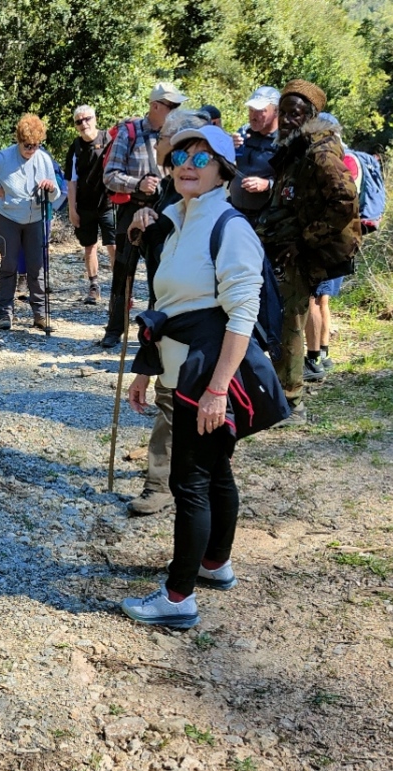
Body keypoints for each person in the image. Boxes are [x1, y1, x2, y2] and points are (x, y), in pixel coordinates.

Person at [120, 126, 289, 628]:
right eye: (180, 157)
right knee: (215, 472)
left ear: (223, 171)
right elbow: (168, 302)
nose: (187, 166)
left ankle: (178, 598)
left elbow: (242, 314)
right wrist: (146, 370)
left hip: (209, 371)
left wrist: (217, 390)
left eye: (201, 158)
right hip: (183, 365)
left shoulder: (229, 226)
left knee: (189, 480)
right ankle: (214, 563)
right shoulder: (177, 217)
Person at [255, 80, 360, 411]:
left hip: (300, 253)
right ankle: (279, 392)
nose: (287, 120)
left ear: (310, 116)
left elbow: (345, 200)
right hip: (283, 247)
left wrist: (305, 239)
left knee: (289, 323)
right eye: (283, 113)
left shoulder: (320, 153)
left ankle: (290, 401)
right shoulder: (294, 149)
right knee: (279, 320)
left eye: (295, 114)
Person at [125, 108, 209, 519]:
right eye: (173, 152)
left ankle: (168, 482)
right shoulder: (167, 189)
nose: (178, 160)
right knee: (170, 397)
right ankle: (168, 480)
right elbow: (152, 248)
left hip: (194, 317)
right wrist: (139, 224)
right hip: (165, 307)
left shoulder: (203, 199)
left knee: (178, 398)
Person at [99, 82, 187, 349]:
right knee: (123, 271)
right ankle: (114, 329)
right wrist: (137, 184)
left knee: (159, 273)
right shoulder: (129, 133)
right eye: (172, 106)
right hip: (131, 210)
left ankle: (153, 331)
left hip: (163, 212)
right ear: (156, 106)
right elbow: (109, 177)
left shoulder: (177, 134)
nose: (176, 111)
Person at [0, 113, 61, 330]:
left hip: (36, 218)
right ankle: (5, 313)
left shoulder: (43, 159)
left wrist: (50, 188)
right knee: (9, 264)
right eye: (27, 145)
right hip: (8, 217)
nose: (31, 150)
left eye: (36, 145)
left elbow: (56, 194)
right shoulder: (4, 157)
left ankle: (40, 314)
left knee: (36, 266)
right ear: (19, 140)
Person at [304, 113, 362, 382]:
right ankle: (322, 353)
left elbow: (343, 201)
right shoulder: (344, 156)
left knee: (313, 299)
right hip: (337, 244)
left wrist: (311, 234)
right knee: (321, 299)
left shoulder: (326, 160)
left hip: (324, 244)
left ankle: (315, 356)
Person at [65, 105, 115, 304]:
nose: (83, 124)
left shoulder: (108, 140)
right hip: (85, 205)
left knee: (113, 245)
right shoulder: (75, 147)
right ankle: (94, 286)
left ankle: (120, 288)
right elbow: (71, 181)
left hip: (109, 204)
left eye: (87, 119)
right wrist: (72, 209)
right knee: (89, 247)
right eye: (79, 121)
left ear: (95, 119)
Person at [229, 86, 279, 224]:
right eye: (251, 110)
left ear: (276, 111)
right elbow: (223, 165)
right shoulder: (244, 133)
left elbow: (293, 182)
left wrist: (268, 184)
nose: (253, 116)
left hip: (265, 218)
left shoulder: (284, 141)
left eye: (260, 111)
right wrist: (228, 147)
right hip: (234, 211)